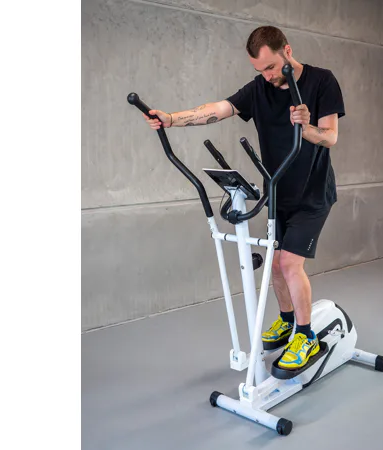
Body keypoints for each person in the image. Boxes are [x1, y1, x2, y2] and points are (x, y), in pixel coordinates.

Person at [143, 26, 345, 370]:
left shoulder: (322, 81)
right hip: (276, 192)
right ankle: (287, 320)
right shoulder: (260, 88)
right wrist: (172, 119)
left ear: (287, 51)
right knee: (275, 266)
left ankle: (306, 336)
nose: (266, 76)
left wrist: (306, 127)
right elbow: (218, 109)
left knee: (289, 264)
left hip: (312, 192)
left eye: (270, 67)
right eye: (259, 70)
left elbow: (331, 137)